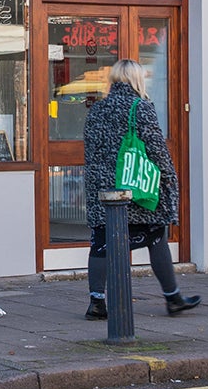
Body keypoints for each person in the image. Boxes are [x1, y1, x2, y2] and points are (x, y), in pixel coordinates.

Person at [82, 58, 200, 318]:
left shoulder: (97, 109)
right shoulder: (140, 107)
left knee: (101, 241)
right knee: (156, 235)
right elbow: (156, 148)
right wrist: (168, 178)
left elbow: (90, 149)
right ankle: (172, 298)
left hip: (102, 186)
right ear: (137, 80)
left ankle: (97, 302)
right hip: (134, 186)